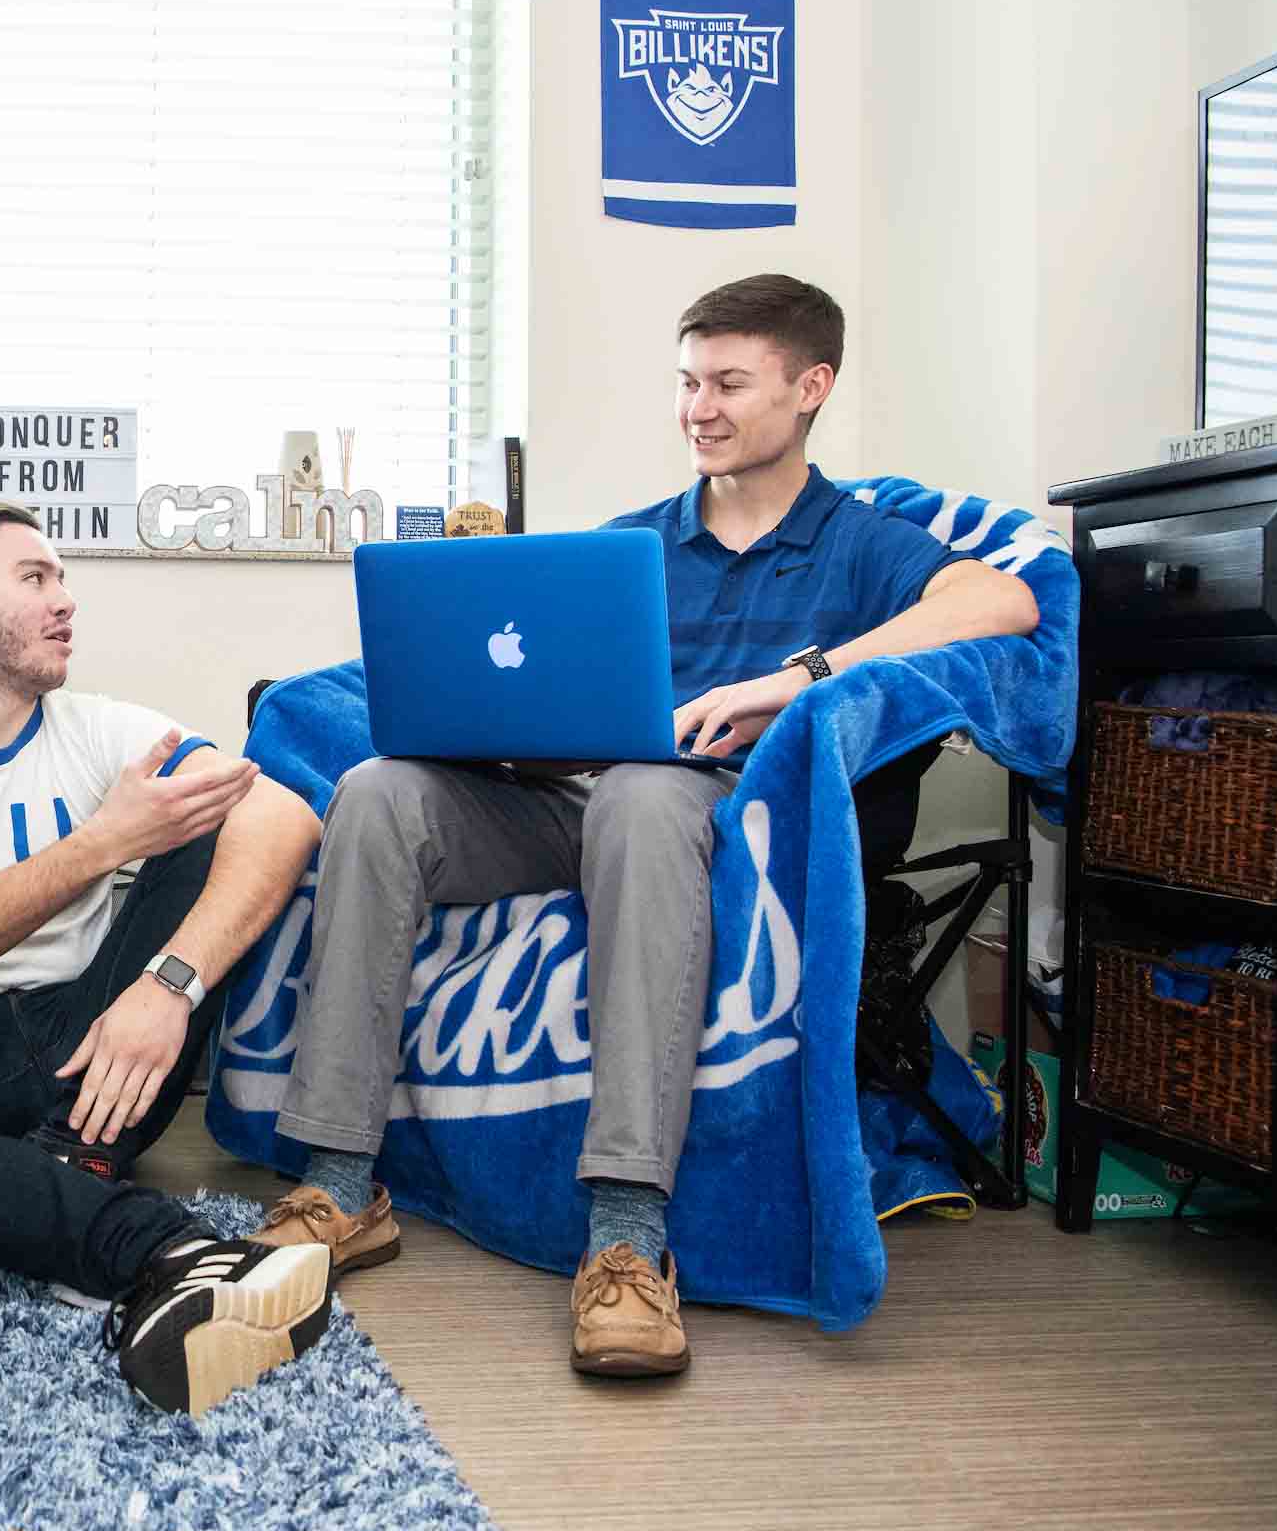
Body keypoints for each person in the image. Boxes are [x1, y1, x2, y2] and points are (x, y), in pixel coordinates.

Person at [247, 274, 1041, 1377]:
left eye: (728, 382)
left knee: (645, 788)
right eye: (686, 382)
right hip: (570, 797)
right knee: (382, 788)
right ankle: (338, 1182)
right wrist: (499, 728)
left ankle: (625, 1234)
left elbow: (1003, 605)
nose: (698, 408)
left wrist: (796, 678)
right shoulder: (630, 547)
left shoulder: (861, 542)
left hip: (712, 810)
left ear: (811, 387)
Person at [0, 503, 329, 1415]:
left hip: (111, 1047)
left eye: (63, 579)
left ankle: (71, 1193)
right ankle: (169, 1250)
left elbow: (285, 815)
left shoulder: (99, 728)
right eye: (35, 578)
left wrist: (170, 986)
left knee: (211, 829)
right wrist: (101, 840)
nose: (65, 601)